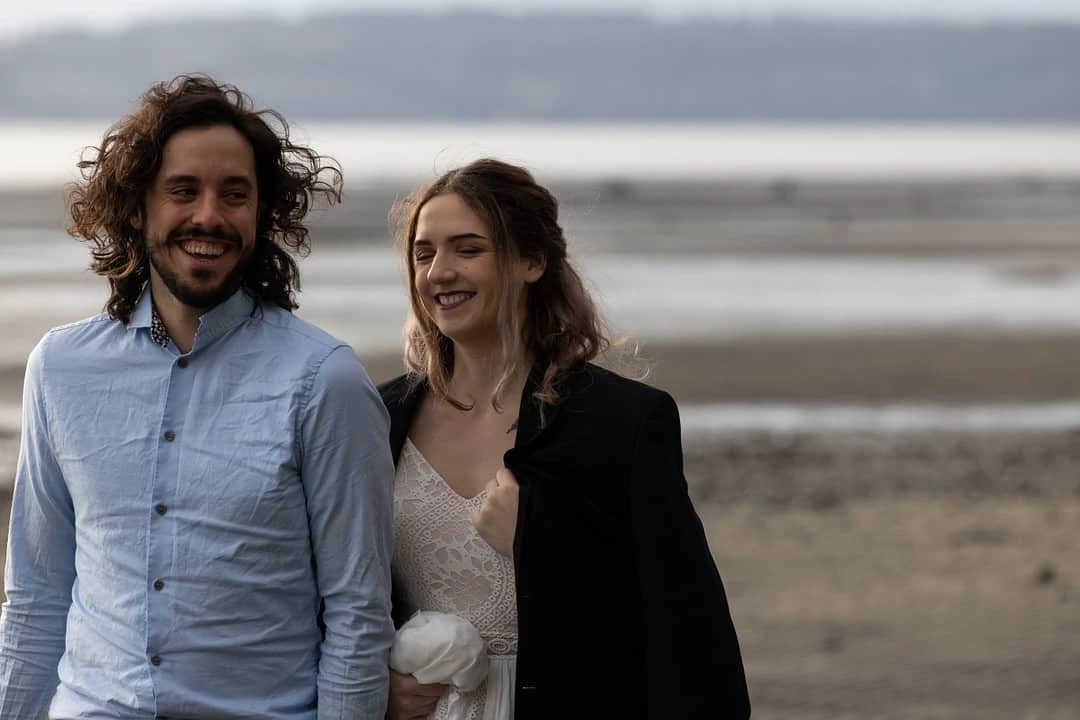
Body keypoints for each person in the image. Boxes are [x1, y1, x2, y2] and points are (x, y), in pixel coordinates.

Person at [0, 74, 396, 719]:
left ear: (263, 213)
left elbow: (357, 614)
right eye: (183, 190)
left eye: (233, 194)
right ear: (137, 207)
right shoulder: (59, 368)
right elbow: (37, 594)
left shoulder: (325, 381)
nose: (208, 215)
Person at [380, 158, 751, 719]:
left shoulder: (621, 421)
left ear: (532, 261)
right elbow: (321, 598)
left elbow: (687, 628)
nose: (438, 273)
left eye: (468, 249)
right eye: (424, 254)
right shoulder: (376, 418)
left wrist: (538, 542)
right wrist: (371, 686)